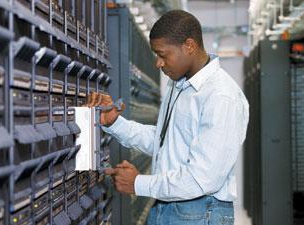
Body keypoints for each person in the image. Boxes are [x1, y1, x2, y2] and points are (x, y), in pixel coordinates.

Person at [89, 10, 249, 225]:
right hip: (170, 207)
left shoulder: (221, 96)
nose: (158, 63)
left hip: (200, 213)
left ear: (189, 46)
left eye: (163, 55)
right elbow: (164, 143)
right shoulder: (180, 86)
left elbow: (202, 179)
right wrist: (115, 123)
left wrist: (139, 184)